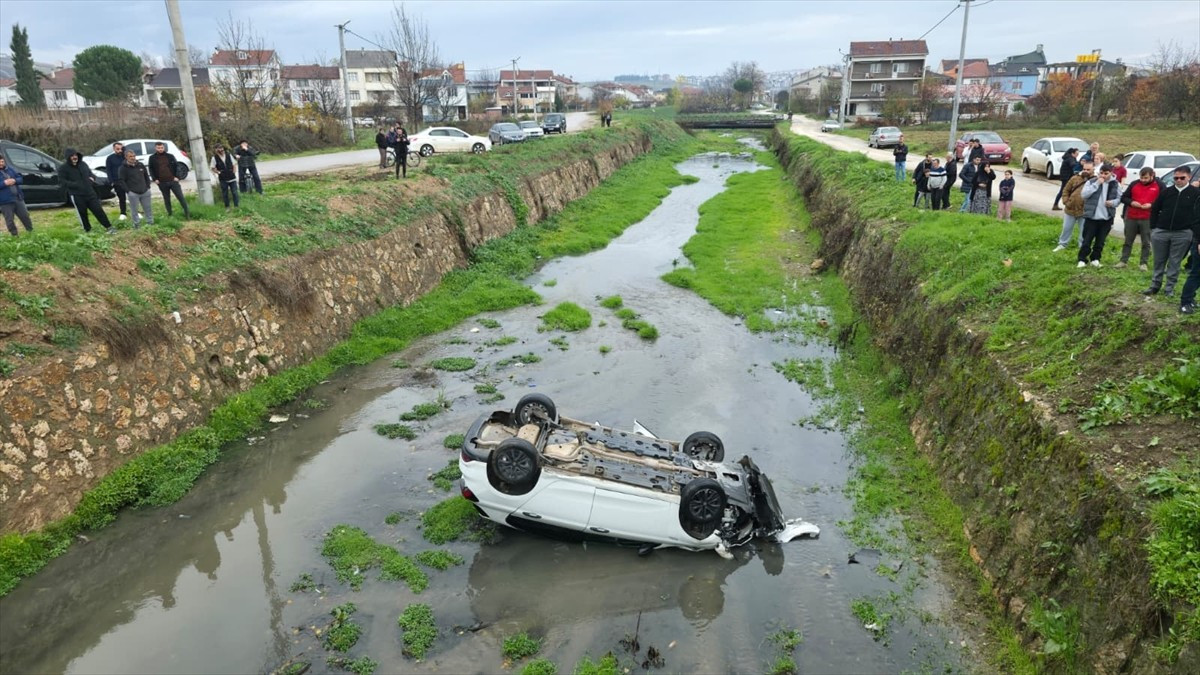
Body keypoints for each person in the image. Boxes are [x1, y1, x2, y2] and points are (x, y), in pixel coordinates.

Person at [1144, 166, 1200, 297]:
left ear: (1189, 177)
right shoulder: (1166, 192)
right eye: (1176, 178)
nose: (1178, 180)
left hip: (1183, 233)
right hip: (1161, 231)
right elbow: (1155, 209)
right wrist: (1154, 227)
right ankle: (1155, 285)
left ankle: (1169, 288)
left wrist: (1191, 231)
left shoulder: (1195, 194)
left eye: (1182, 178)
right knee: (1159, 260)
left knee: (1175, 262)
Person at [59, 148, 114, 233]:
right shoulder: (63, 168)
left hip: (90, 192)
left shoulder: (83, 164)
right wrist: (76, 184)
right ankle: (87, 230)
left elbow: (90, 173)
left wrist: (92, 178)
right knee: (82, 213)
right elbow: (62, 182)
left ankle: (109, 227)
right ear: (68, 157)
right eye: (72, 156)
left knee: (98, 210)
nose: (74, 157)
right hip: (77, 195)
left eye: (76, 155)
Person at [1077, 163, 1122, 268]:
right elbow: (1084, 194)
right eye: (1101, 173)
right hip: (1092, 217)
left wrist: (1113, 203)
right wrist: (1097, 183)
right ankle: (1082, 259)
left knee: (1100, 241)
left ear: (1111, 173)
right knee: (1087, 240)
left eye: (1106, 173)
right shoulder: (1091, 182)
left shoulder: (1116, 184)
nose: (1103, 176)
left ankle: (1095, 259)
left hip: (1106, 218)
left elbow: (1120, 198)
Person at [1116, 167, 1160, 269]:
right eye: (1141, 177)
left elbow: (1163, 200)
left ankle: (1143, 263)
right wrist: (1131, 202)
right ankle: (1123, 261)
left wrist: (1151, 205)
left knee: (1146, 242)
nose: (1143, 180)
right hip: (1132, 216)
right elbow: (1123, 197)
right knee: (1128, 240)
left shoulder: (1159, 185)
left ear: (1152, 176)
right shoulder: (1134, 184)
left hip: (1148, 218)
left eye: (1146, 178)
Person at [1056, 159, 1094, 251]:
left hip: (1085, 211)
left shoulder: (1095, 180)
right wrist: (1066, 201)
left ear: (1093, 169)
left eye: (1088, 170)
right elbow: (1066, 190)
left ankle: (1082, 246)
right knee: (1066, 228)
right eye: (1084, 169)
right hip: (1070, 208)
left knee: (1083, 231)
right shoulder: (1075, 178)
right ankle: (1062, 244)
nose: (1085, 171)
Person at [148, 141, 190, 218]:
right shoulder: (152, 158)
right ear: (155, 148)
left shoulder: (170, 156)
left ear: (164, 148)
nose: (160, 149)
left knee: (180, 197)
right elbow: (151, 169)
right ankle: (170, 214)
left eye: (161, 148)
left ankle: (187, 213)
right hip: (162, 182)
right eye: (158, 148)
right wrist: (155, 179)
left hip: (173, 181)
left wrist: (177, 177)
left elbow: (177, 166)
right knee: (167, 199)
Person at [118, 149, 153, 228]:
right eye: (130, 156)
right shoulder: (123, 168)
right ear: (126, 157)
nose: (133, 158)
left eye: (134, 156)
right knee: (134, 211)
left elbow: (146, 176)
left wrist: (148, 186)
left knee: (148, 209)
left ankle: (150, 224)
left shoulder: (140, 165)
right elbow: (121, 181)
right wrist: (128, 191)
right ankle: (137, 225)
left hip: (145, 191)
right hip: (133, 193)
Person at [0, 155, 34, 236]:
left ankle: (31, 233)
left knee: (25, 216)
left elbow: (20, 178)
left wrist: (14, 180)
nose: (1, 164)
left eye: (2, 162)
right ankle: (14, 236)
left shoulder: (10, 169)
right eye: (0, 162)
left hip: (18, 198)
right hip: (5, 201)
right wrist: (4, 183)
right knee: (10, 220)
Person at [103, 141, 128, 221]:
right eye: (117, 149)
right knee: (122, 198)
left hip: (127, 180)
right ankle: (123, 213)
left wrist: (124, 150)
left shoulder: (124, 156)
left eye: (121, 149)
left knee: (133, 197)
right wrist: (112, 182)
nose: (119, 150)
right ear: (114, 149)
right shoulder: (110, 158)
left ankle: (136, 211)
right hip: (117, 181)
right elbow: (108, 171)